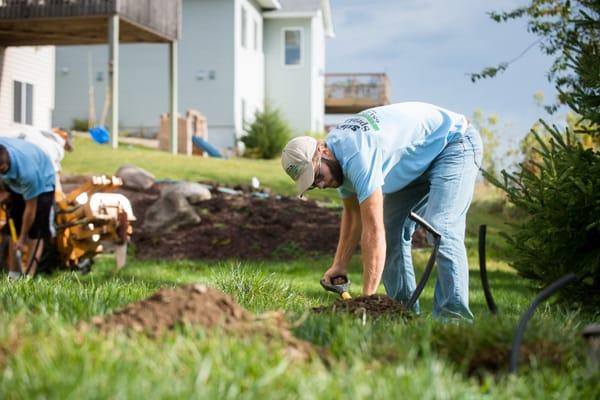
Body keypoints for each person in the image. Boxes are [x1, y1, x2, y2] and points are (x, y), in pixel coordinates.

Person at [281, 102, 483, 321]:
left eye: (318, 176)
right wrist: (339, 264)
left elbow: (372, 231)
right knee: (392, 228)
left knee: (440, 226)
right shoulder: (336, 161)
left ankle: (453, 318)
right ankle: (401, 313)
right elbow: (353, 216)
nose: (320, 186)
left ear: (323, 150)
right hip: (421, 157)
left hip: (454, 143)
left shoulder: (356, 155)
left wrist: (367, 301)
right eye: (312, 185)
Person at [0, 137, 56, 280]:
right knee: (14, 230)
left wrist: (22, 238)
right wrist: (3, 193)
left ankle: (28, 277)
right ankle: (14, 276)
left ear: (4, 166)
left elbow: (30, 209)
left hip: (43, 184)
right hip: (13, 182)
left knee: (34, 233)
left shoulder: (28, 173)